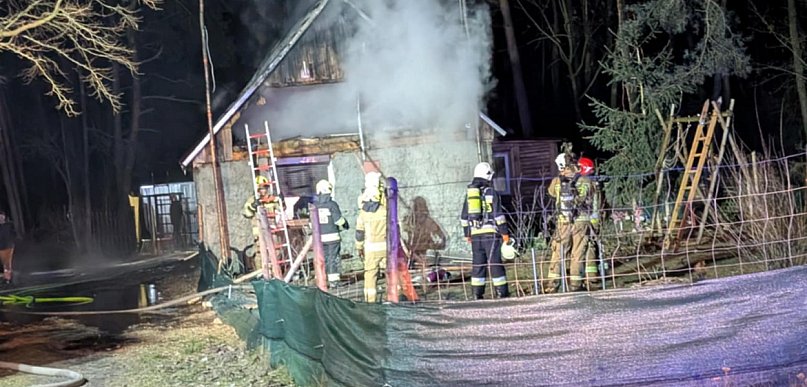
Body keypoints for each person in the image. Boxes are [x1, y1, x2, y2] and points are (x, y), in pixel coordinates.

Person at [460, 162, 511, 299]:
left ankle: (477, 294)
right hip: (491, 234)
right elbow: (498, 216)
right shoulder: (491, 192)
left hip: (475, 235)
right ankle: (502, 292)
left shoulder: (470, 195)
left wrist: (467, 234)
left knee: (478, 264)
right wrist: (505, 233)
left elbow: (464, 216)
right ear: (488, 176)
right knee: (495, 263)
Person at [545, 153, 594, 293]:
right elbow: (591, 195)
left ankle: (552, 285)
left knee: (558, 253)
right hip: (581, 221)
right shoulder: (586, 180)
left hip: (563, 221)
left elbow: (551, 193)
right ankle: (576, 286)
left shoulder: (557, 181)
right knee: (577, 254)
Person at [355, 171, 387, 303]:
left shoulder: (363, 214)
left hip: (370, 249)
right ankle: (392, 297)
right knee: (390, 272)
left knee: (370, 275)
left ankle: (370, 301)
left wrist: (359, 247)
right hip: (385, 247)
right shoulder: (385, 211)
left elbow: (359, 233)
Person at [311, 180, 349, 288]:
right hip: (333, 237)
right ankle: (334, 281)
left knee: (324, 258)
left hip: (320, 239)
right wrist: (345, 224)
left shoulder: (315, 206)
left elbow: (312, 223)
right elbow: (338, 221)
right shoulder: (332, 205)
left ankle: (323, 279)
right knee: (333, 258)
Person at [242, 176, 282, 271]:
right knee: (260, 253)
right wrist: (253, 206)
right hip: (259, 232)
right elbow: (246, 213)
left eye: (265, 188)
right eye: (261, 189)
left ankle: (275, 272)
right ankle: (262, 273)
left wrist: (281, 200)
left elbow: (281, 208)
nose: (263, 191)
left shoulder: (271, 199)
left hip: (272, 231)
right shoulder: (252, 200)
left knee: (276, 252)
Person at [577, 157, 602, 289]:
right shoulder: (592, 183)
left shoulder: (582, 182)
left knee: (584, 248)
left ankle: (587, 278)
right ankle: (591, 277)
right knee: (591, 247)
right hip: (592, 219)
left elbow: (579, 201)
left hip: (586, 220)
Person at [0, 211, 15, 284]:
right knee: (4, 263)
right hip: (1, 247)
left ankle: (8, 278)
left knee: (8, 263)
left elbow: (14, 233)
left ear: (4, 216)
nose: (0, 218)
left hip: (9, 246)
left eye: (1, 216)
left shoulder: (9, 224)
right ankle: (7, 277)